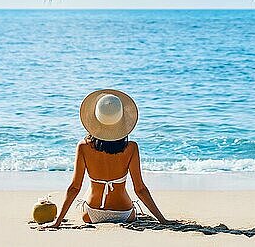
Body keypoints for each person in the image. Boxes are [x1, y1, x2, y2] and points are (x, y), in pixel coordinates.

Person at [48, 89, 168, 226]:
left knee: (90, 188)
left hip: (92, 214)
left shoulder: (83, 147)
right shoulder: (131, 148)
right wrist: (162, 220)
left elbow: (74, 188)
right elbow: (140, 189)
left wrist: (57, 222)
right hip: (124, 213)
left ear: (94, 119)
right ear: (122, 120)